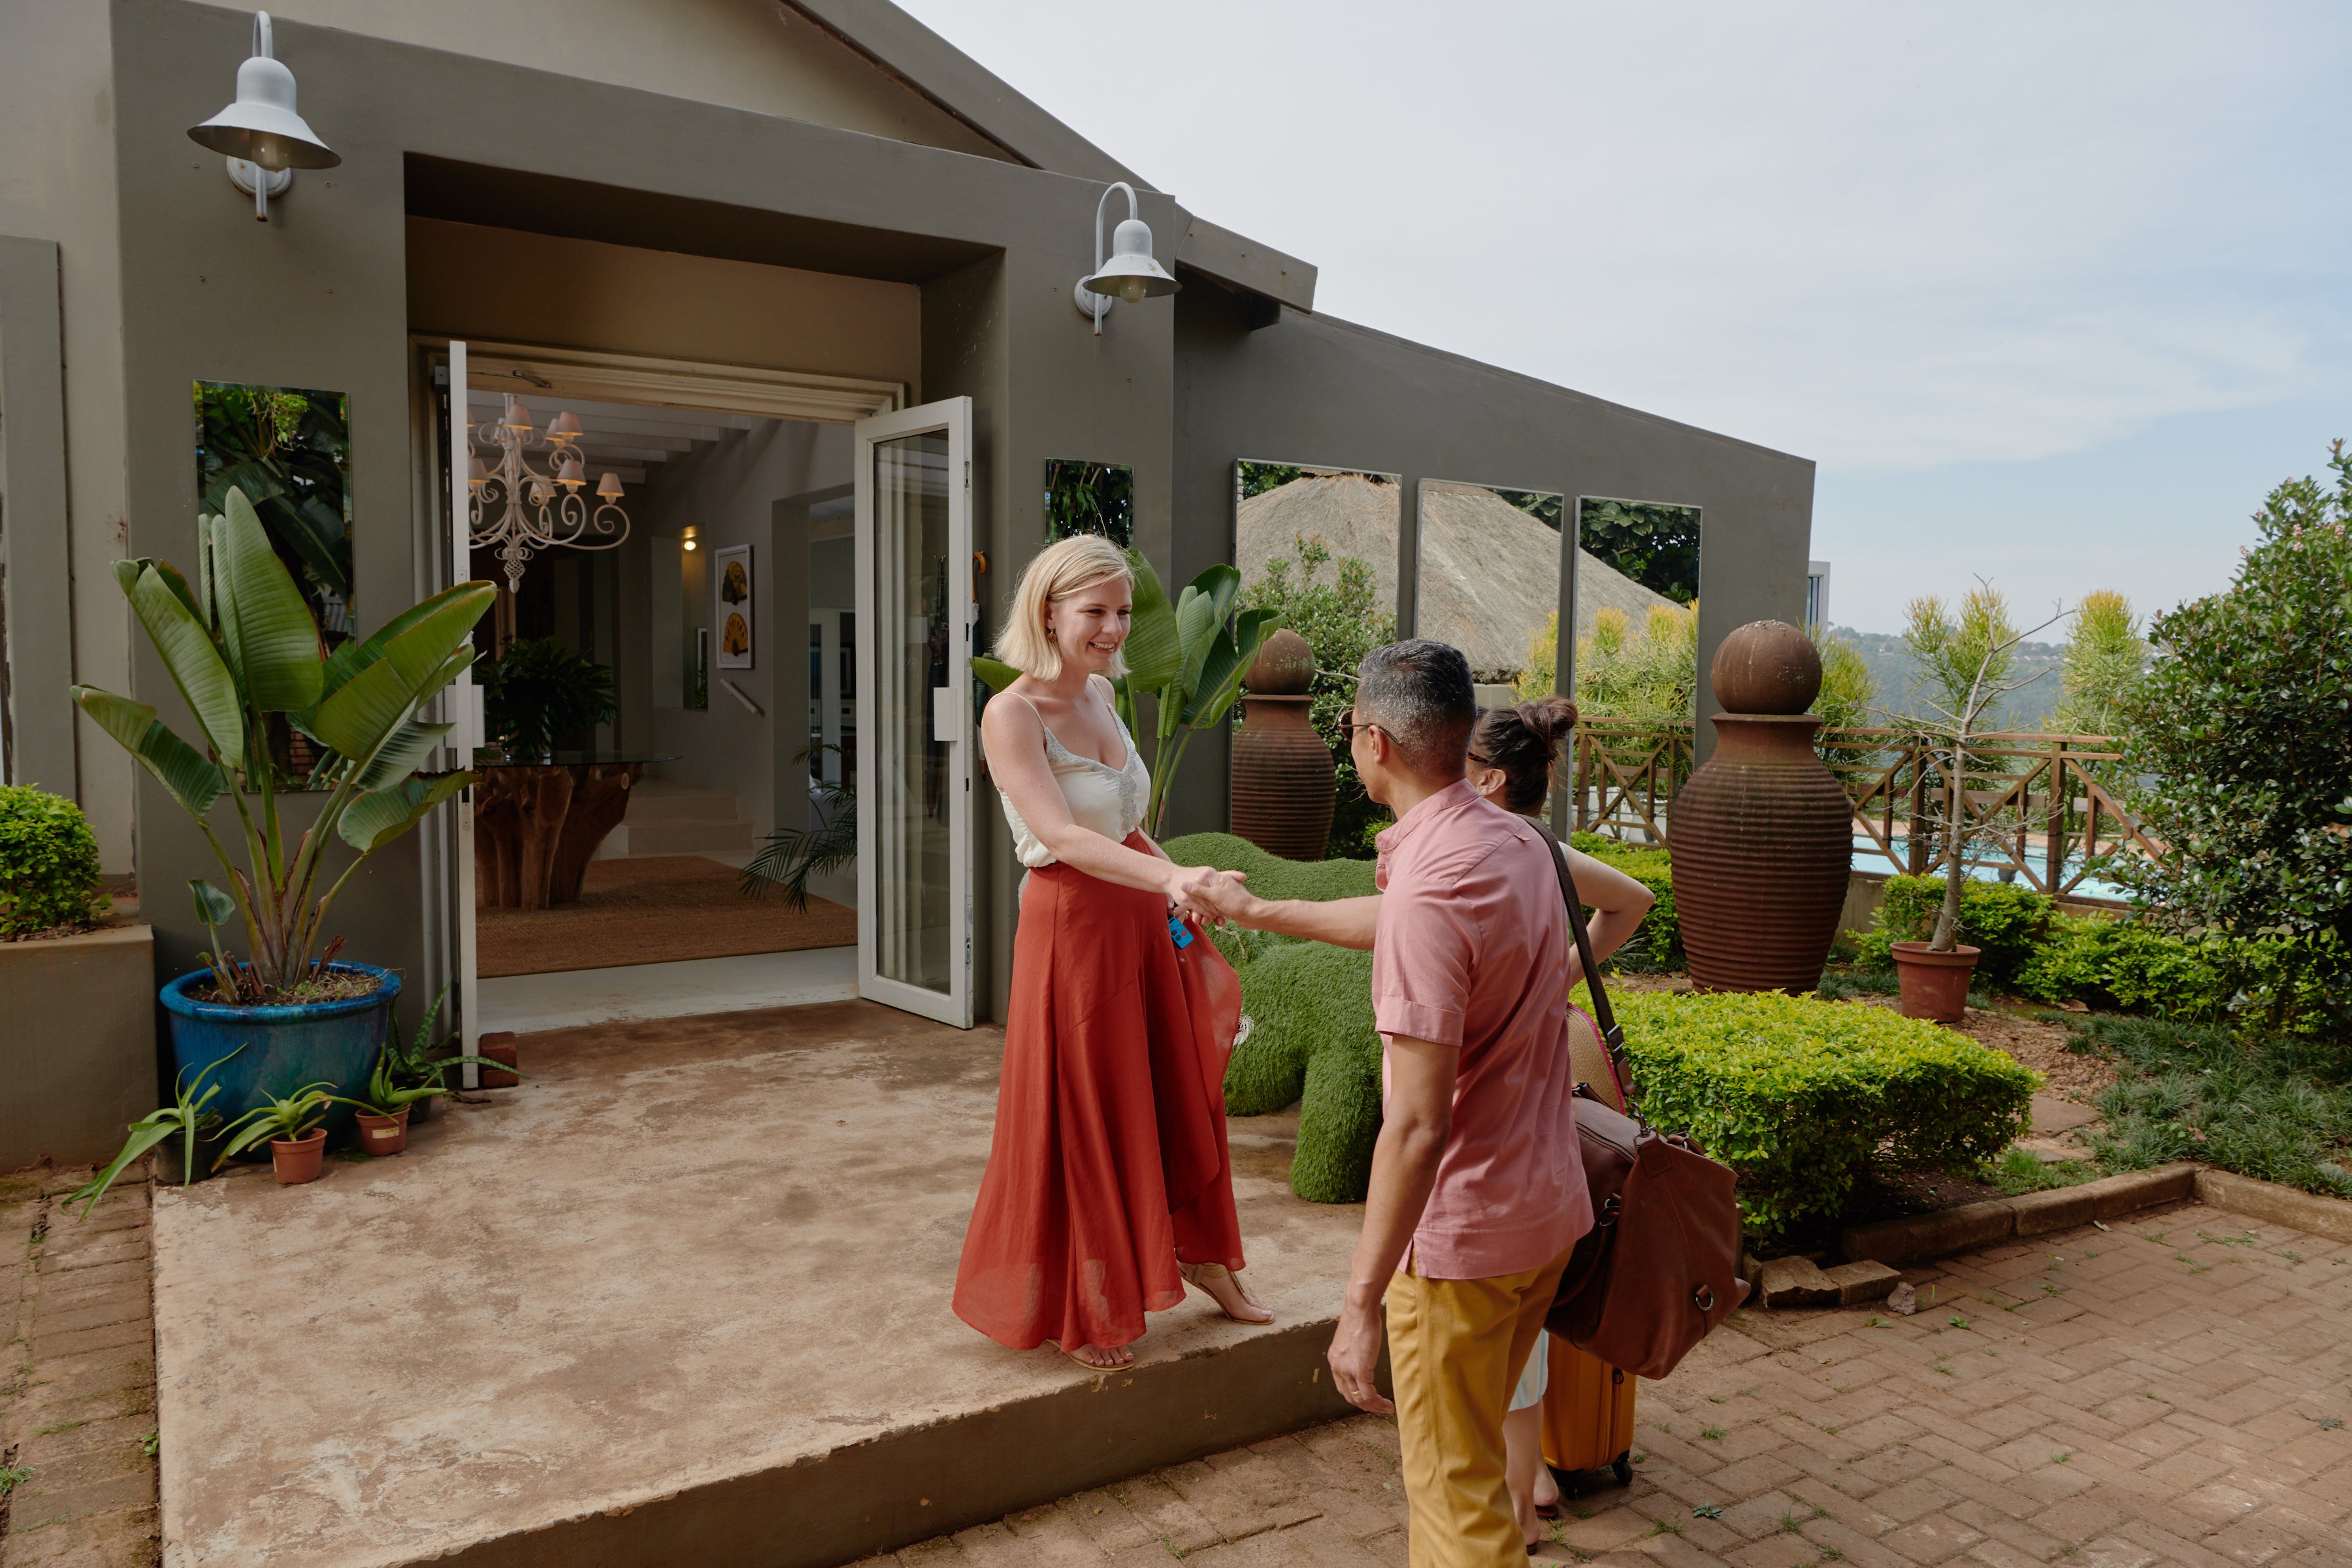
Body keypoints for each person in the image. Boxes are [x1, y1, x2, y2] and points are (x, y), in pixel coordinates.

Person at [1196, 689, 1654, 1554]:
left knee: (1457, 1505)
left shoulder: (1437, 880)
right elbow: (1401, 919)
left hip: (1464, 1243)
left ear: (1376, 743)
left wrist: (1360, 1301)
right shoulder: (1519, 844)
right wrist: (1255, 910)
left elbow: (1414, 1127)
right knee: (1479, 1473)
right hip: (1547, 1216)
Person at [952, 535, 1272, 1373]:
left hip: (1139, 920)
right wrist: (1172, 878)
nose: (1114, 628)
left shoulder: (1102, 695)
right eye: (1095, 611)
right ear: (1048, 612)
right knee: (1090, 1114)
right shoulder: (1010, 713)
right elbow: (1060, 836)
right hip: (1073, 935)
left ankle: (1205, 1258)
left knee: (1177, 1096)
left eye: (1123, 611)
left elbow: (1121, 822)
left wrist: (1183, 882)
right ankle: (1091, 1301)